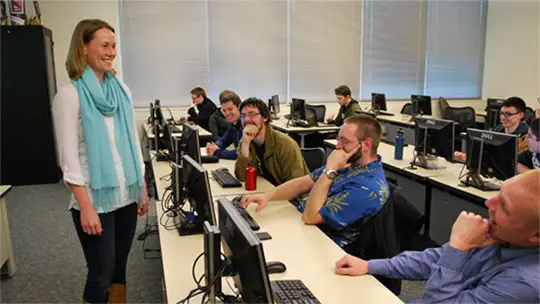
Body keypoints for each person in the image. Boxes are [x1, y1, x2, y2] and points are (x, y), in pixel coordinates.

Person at [51, 19, 148, 303]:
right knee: (100, 272)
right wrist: (86, 208)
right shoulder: (69, 96)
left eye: (114, 46)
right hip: (95, 199)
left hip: (127, 194)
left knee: (119, 268)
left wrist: (140, 185)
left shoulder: (122, 92)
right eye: (104, 45)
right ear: (83, 48)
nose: (111, 52)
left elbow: (132, 143)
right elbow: (68, 161)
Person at [335, 169, 540, 303]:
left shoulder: (524, 283)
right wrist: (370, 266)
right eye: (499, 194)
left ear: (536, 236)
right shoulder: (505, 236)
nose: (489, 204)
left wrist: (458, 248)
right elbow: (433, 259)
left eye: (504, 206)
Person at [241, 115, 389, 248]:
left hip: (322, 244)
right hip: (299, 223)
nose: (338, 146)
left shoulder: (367, 189)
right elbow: (303, 183)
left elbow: (310, 217)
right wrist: (267, 196)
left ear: (366, 145)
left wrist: (329, 170)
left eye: (345, 141)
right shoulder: (349, 163)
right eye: (339, 138)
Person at [234, 97, 309, 185]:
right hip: (268, 191)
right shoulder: (246, 140)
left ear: (265, 117)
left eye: (252, 114)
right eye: (243, 116)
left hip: (294, 196)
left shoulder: (285, 144)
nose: (246, 119)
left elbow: (296, 185)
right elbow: (242, 177)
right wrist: (246, 144)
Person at [455, 96, 530, 161]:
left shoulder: (527, 136)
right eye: (502, 113)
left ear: (520, 115)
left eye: (508, 114)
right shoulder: (497, 129)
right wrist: (467, 156)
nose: (503, 118)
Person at [206, 90, 243, 160]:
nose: (227, 113)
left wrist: (217, 152)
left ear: (239, 107)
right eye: (224, 110)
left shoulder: (246, 124)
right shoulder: (233, 125)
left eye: (230, 109)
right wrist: (215, 146)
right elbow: (223, 141)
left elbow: (240, 153)